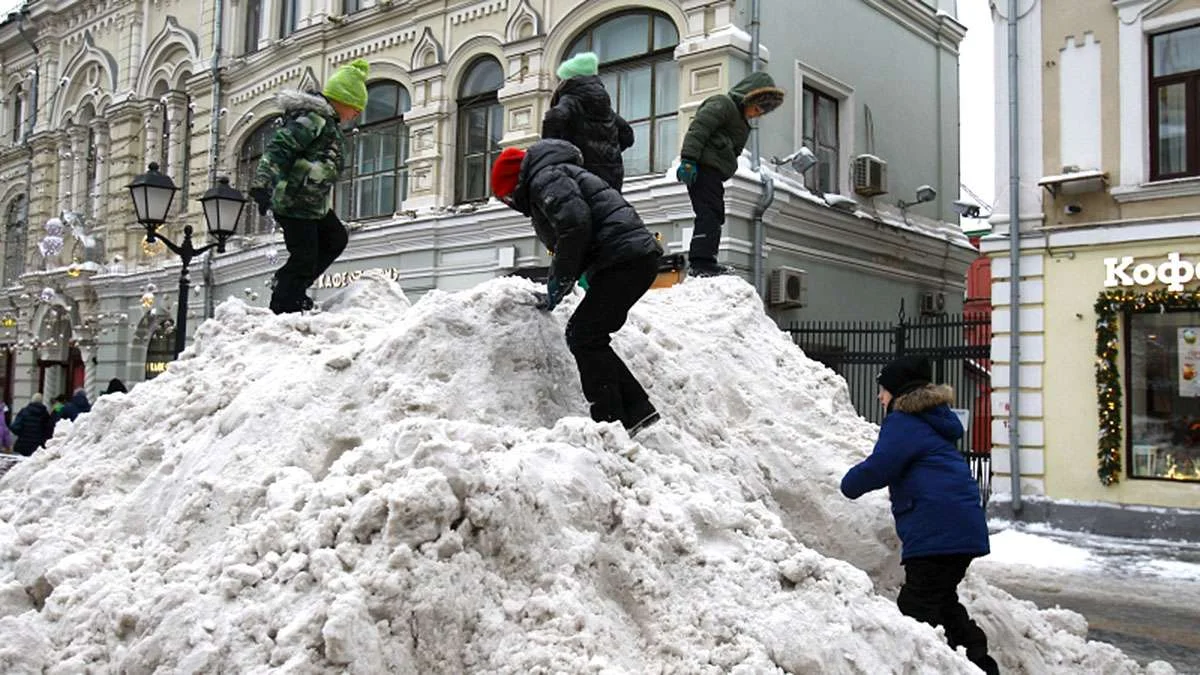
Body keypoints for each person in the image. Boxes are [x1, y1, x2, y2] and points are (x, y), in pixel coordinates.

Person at [840, 355, 999, 675]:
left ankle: (942, 665)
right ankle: (978, 662)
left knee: (916, 609)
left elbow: (881, 466)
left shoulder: (903, 422)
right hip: (958, 527)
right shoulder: (930, 421)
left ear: (897, 392)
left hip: (937, 531)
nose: (878, 397)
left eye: (882, 390)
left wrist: (847, 484)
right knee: (940, 602)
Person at [491, 140, 662, 435]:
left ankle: (611, 421)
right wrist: (565, 278)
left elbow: (574, 227)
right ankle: (636, 411)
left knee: (583, 335)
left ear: (513, 184)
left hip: (624, 258)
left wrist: (559, 282)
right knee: (589, 334)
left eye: (506, 197)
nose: (510, 204)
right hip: (629, 257)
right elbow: (576, 233)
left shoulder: (546, 178)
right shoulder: (553, 175)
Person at [249, 59, 370, 314]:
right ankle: (284, 302)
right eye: (356, 108)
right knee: (304, 255)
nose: (356, 114)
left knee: (336, 238)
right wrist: (262, 183)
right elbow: (280, 147)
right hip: (293, 200)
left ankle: (293, 287)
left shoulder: (329, 124)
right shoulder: (313, 119)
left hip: (313, 203)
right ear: (343, 100)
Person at [676, 72, 785, 277]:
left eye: (762, 111)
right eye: (757, 107)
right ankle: (701, 263)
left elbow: (731, 152)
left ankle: (707, 260)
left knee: (715, 214)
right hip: (702, 168)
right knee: (709, 213)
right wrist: (688, 161)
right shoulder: (723, 104)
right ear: (749, 97)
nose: (757, 114)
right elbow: (699, 129)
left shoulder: (743, 125)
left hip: (714, 173)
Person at [541, 52, 634, 191]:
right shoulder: (605, 108)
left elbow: (554, 117)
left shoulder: (571, 97)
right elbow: (628, 136)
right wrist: (609, 153)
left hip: (581, 174)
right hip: (612, 178)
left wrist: (551, 150)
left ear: (568, 78)